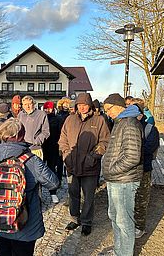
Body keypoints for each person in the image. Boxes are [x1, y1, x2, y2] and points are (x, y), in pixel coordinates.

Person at [0, 118, 59, 256]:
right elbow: (53, 183)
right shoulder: (31, 159)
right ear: (21, 135)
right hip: (24, 219)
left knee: (2, 251)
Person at [59, 93, 110, 236]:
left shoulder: (99, 120)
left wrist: (93, 156)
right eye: (79, 105)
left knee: (88, 196)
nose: (82, 107)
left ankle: (87, 222)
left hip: (90, 166)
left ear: (90, 105)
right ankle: (75, 218)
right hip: (71, 164)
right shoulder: (69, 119)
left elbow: (105, 141)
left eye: (85, 105)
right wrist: (65, 154)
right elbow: (63, 138)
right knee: (73, 193)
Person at [102, 93, 143, 256]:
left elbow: (132, 156)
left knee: (123, 220)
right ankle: (119, 250)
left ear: (118, 106)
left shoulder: (130, 123)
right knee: (115, 216)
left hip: (124, 180)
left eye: (109, 109)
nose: (107, 113)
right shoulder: (120, 122)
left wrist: (111, 169)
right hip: (116, 180)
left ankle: (124, 253)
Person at [129, 99, 159, 239]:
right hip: (129, 170)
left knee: (141, 199)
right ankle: (129, 224)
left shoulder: (150, 129)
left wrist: (132, 153)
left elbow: (149, 148)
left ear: (141, 115)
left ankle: (139, 227)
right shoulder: (128, 128)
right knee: (129, 199)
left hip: (144, 169)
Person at [42, 101, 63, 204]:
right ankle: (39, 193)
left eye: (49, 108)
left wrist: (60, 147)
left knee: (51, 170)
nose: (47, 110)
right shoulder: (41, 118)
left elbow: (60, 134)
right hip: (41, 148)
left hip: (53, 148)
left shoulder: (58, 119)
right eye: (45, 108)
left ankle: (53, 192)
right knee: (39, 171)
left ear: (53, 109)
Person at [18, 95, 50, 160]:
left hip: (36, 148)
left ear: (33, 104)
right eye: (25, 104)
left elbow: (46, 132)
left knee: (36, 169)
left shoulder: (41, 114)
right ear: (22, 105)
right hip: (22, 148)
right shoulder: (20, 115)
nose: (27, 106)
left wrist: (37, 141)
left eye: (29, 104)